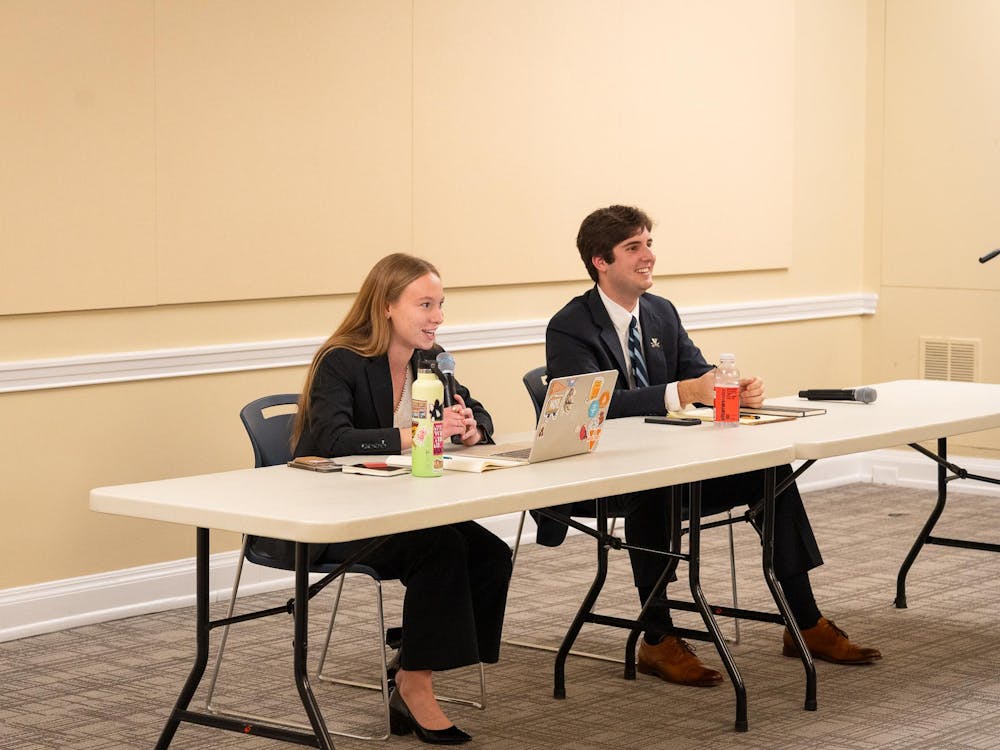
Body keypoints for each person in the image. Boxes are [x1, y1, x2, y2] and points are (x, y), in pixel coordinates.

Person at [543, 205, 880, 688]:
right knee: (654, 489)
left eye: (649, 244)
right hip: (607, 475)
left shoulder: (660, 311)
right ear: (601, 261)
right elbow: (590, 409)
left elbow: (696, 372)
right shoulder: (571, 325)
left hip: (672, 461)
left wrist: (731, 389)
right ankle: (657, 637)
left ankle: (804, 621)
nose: (648, 256)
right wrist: (684, 391)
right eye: (633, 248)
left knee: (773, 472)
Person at [290, 253, 512, 744]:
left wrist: (472, 429)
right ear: (386, 306)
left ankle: (411, 659)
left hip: (401, 508)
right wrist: (419, 433)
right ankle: (414, 684)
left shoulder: (430, 359)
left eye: (441, 305)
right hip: (338, 517)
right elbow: (332, 439)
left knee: (490, 553)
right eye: (425, 305)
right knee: (442, 549)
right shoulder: (340, 361)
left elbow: (477, 413)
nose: (438, 317)